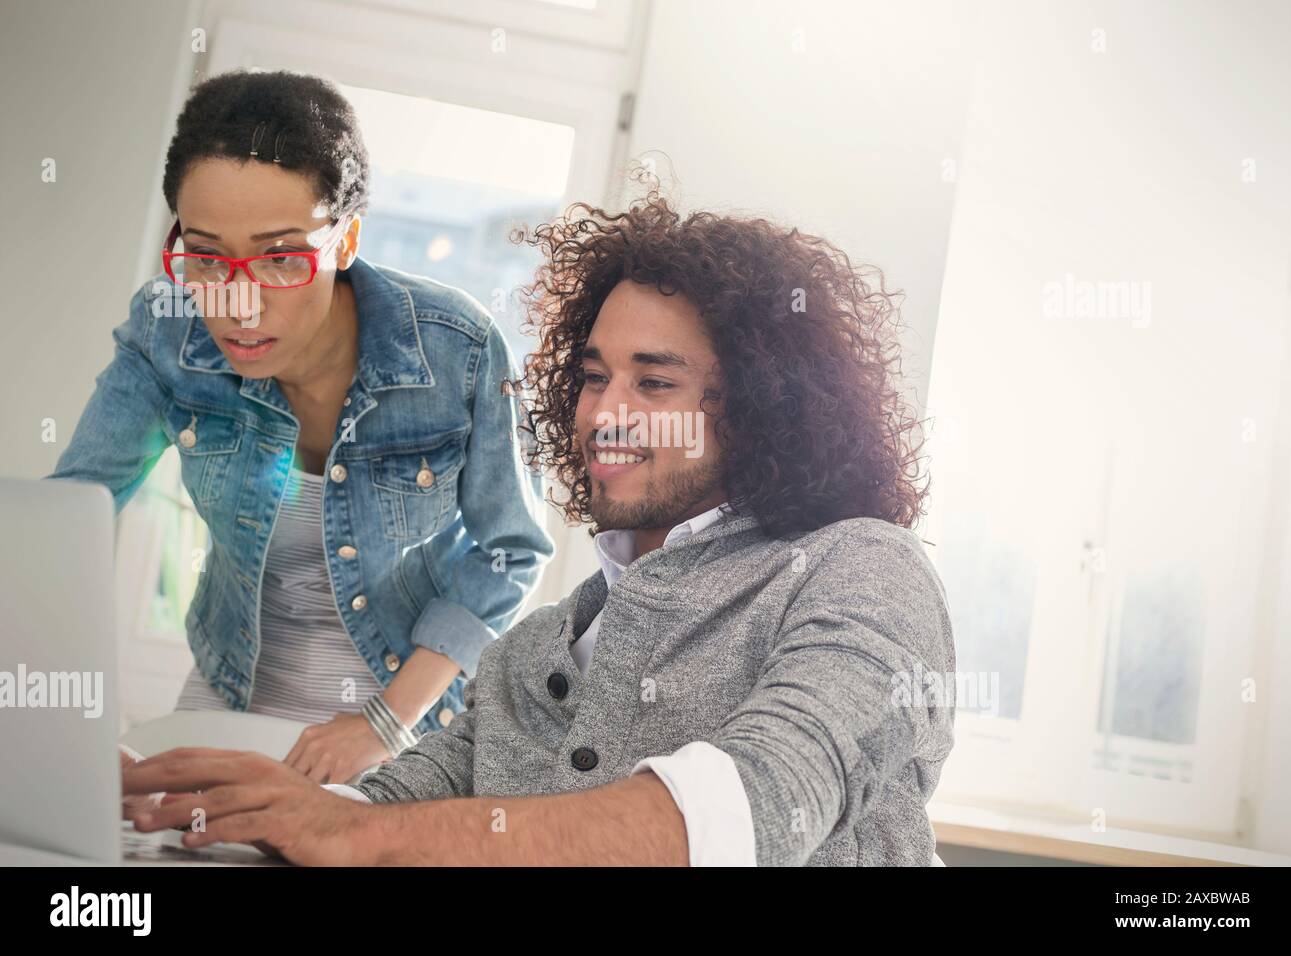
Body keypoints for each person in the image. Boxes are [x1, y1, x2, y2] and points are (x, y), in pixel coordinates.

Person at [123, 191, 955, 866]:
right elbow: (387, 807)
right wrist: (240, 819)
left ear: (762, 408)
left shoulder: (862, 571)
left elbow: (760, 806)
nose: (605, 414)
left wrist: (352, 833)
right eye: (594, 377)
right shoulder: (534, 648)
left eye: (654, 383)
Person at [49, 69, 553, 785]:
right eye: (206, 256)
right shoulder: (167, 332)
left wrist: (384, 723)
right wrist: (59, 717)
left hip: (408, 721)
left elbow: (513, 550)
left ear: (346, 240)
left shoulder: (458, 350)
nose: (238, 303)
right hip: (230, 697)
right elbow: (72, 517)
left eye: (280, 257)